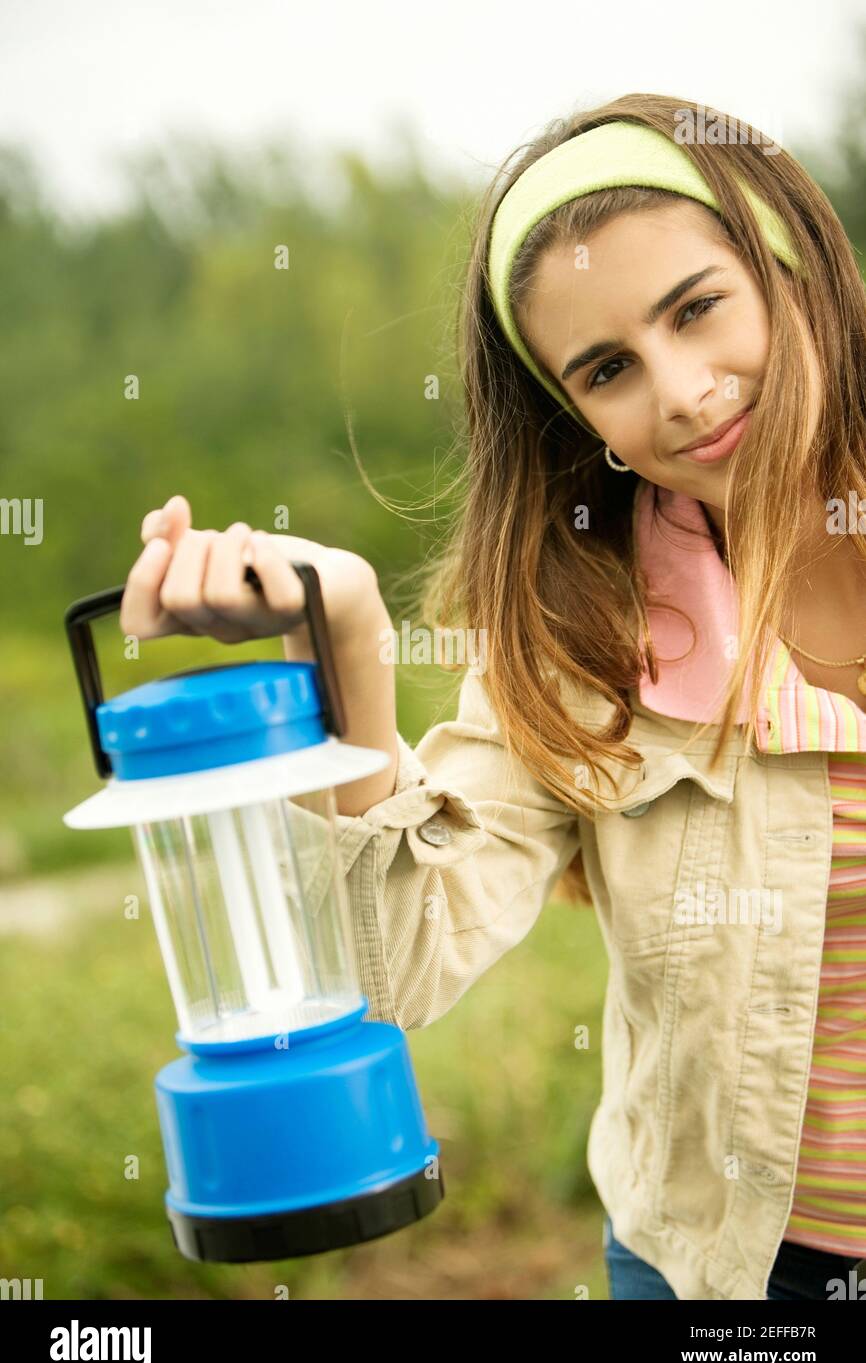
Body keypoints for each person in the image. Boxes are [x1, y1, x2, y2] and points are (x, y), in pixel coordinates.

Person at [120, 93, 866, 1301]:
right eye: (609, 369)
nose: (679, 390)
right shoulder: (586, 635)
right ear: (578, 419)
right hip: (730, 1276)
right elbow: (399, 962)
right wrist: (345, 639)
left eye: (696, 309)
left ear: (791, 265)